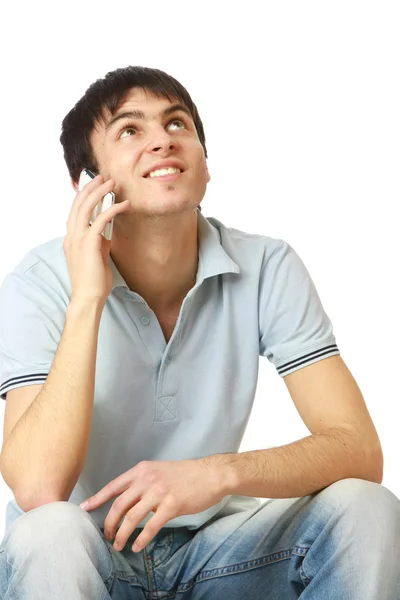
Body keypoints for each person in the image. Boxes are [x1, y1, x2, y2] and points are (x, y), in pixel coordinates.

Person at [0, 65, 398, 599]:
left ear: (204, 165)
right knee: (45, 530)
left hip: (222, 552)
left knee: (365, 508)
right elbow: (38, 487)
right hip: (85, 558)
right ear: (86, 183)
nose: (163, 141)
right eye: (130, 130)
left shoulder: (266, 265)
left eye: (177, 124)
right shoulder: (38, 280)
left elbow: (358, 450)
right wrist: (88, 299)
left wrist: (215, 474)